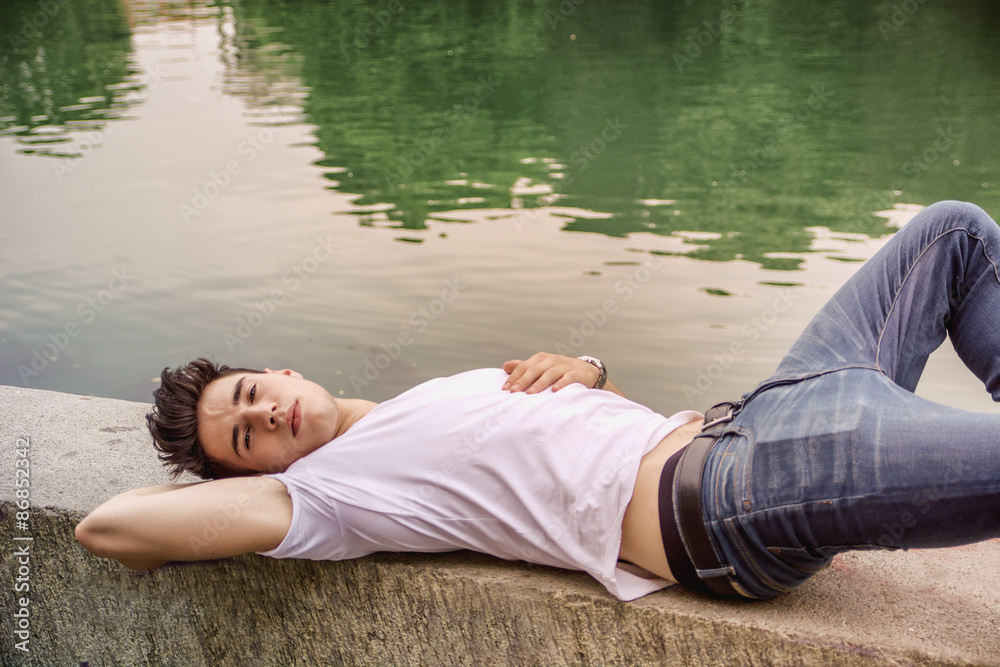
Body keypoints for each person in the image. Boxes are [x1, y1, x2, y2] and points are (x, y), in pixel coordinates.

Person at [75, 200, 1000, 601]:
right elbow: (105, 530)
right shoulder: (329, 495)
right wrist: (201, 484)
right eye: (243, 440)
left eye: (248, 395)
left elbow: (577, 451)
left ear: (277, 368)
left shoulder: (417, 400)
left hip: (759, 413)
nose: (262, 416)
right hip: (737, 499)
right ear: (259, 476)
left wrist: (593, 367)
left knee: (953, 235)